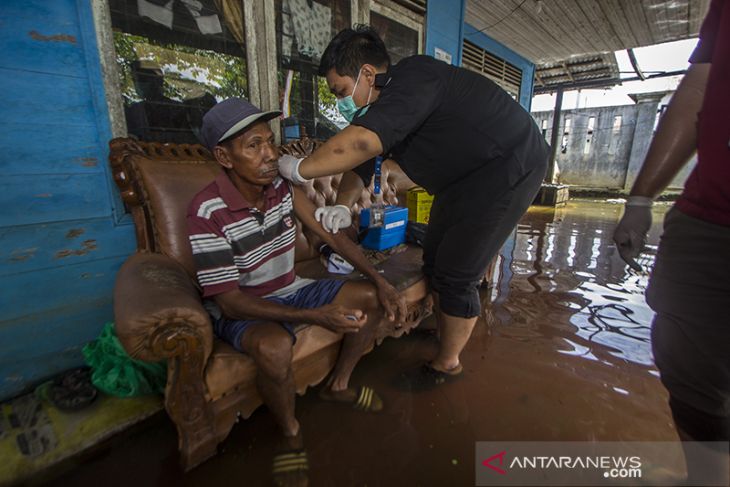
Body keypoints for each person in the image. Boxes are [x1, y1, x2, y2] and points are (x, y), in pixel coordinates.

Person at [278, 26, 549, 386]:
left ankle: (447, 365)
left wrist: (298, 168)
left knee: (457, 271)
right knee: (434, 256)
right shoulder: (383, 107)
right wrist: (342, 207)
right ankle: (444, 329)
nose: (341, 102)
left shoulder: (416, 78)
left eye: (341, 91)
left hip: (508, 167)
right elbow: (361, 163)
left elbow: (358, 145)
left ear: (367, 74)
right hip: (462, 178)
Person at [187, 98, 406, 485]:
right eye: (254, 146)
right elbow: (231, 303)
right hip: (245, 304)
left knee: (370, 299)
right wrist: (314, 317)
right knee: (273, 347)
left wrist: (381, 281)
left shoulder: (281, 188)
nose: (270, 155)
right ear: (224, 155)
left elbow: (332, 237)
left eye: (270, 142)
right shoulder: (207, 212)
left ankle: (338, 386)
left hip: (291, 288)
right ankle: (290, 432)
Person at [613, 0, 729, 482]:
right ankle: (706, 474)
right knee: (684, 356)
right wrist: (640, 200)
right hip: (712, 215)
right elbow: (699, 87)